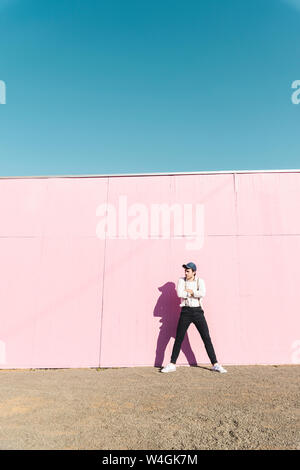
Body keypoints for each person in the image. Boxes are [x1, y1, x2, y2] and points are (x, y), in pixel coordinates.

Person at [161, 262, 227, 373]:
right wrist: (193, 293)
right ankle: (172, 364)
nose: (186, 273)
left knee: (206, 337)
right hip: (185, 311)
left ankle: (215, 364)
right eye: (185, 271)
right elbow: (180, 294)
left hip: (197, 311)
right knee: (179, 338)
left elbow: (203, 293)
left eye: (188, 271)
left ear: (194, 272)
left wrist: (191, 292)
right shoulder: (181, 281)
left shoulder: (200, 281)